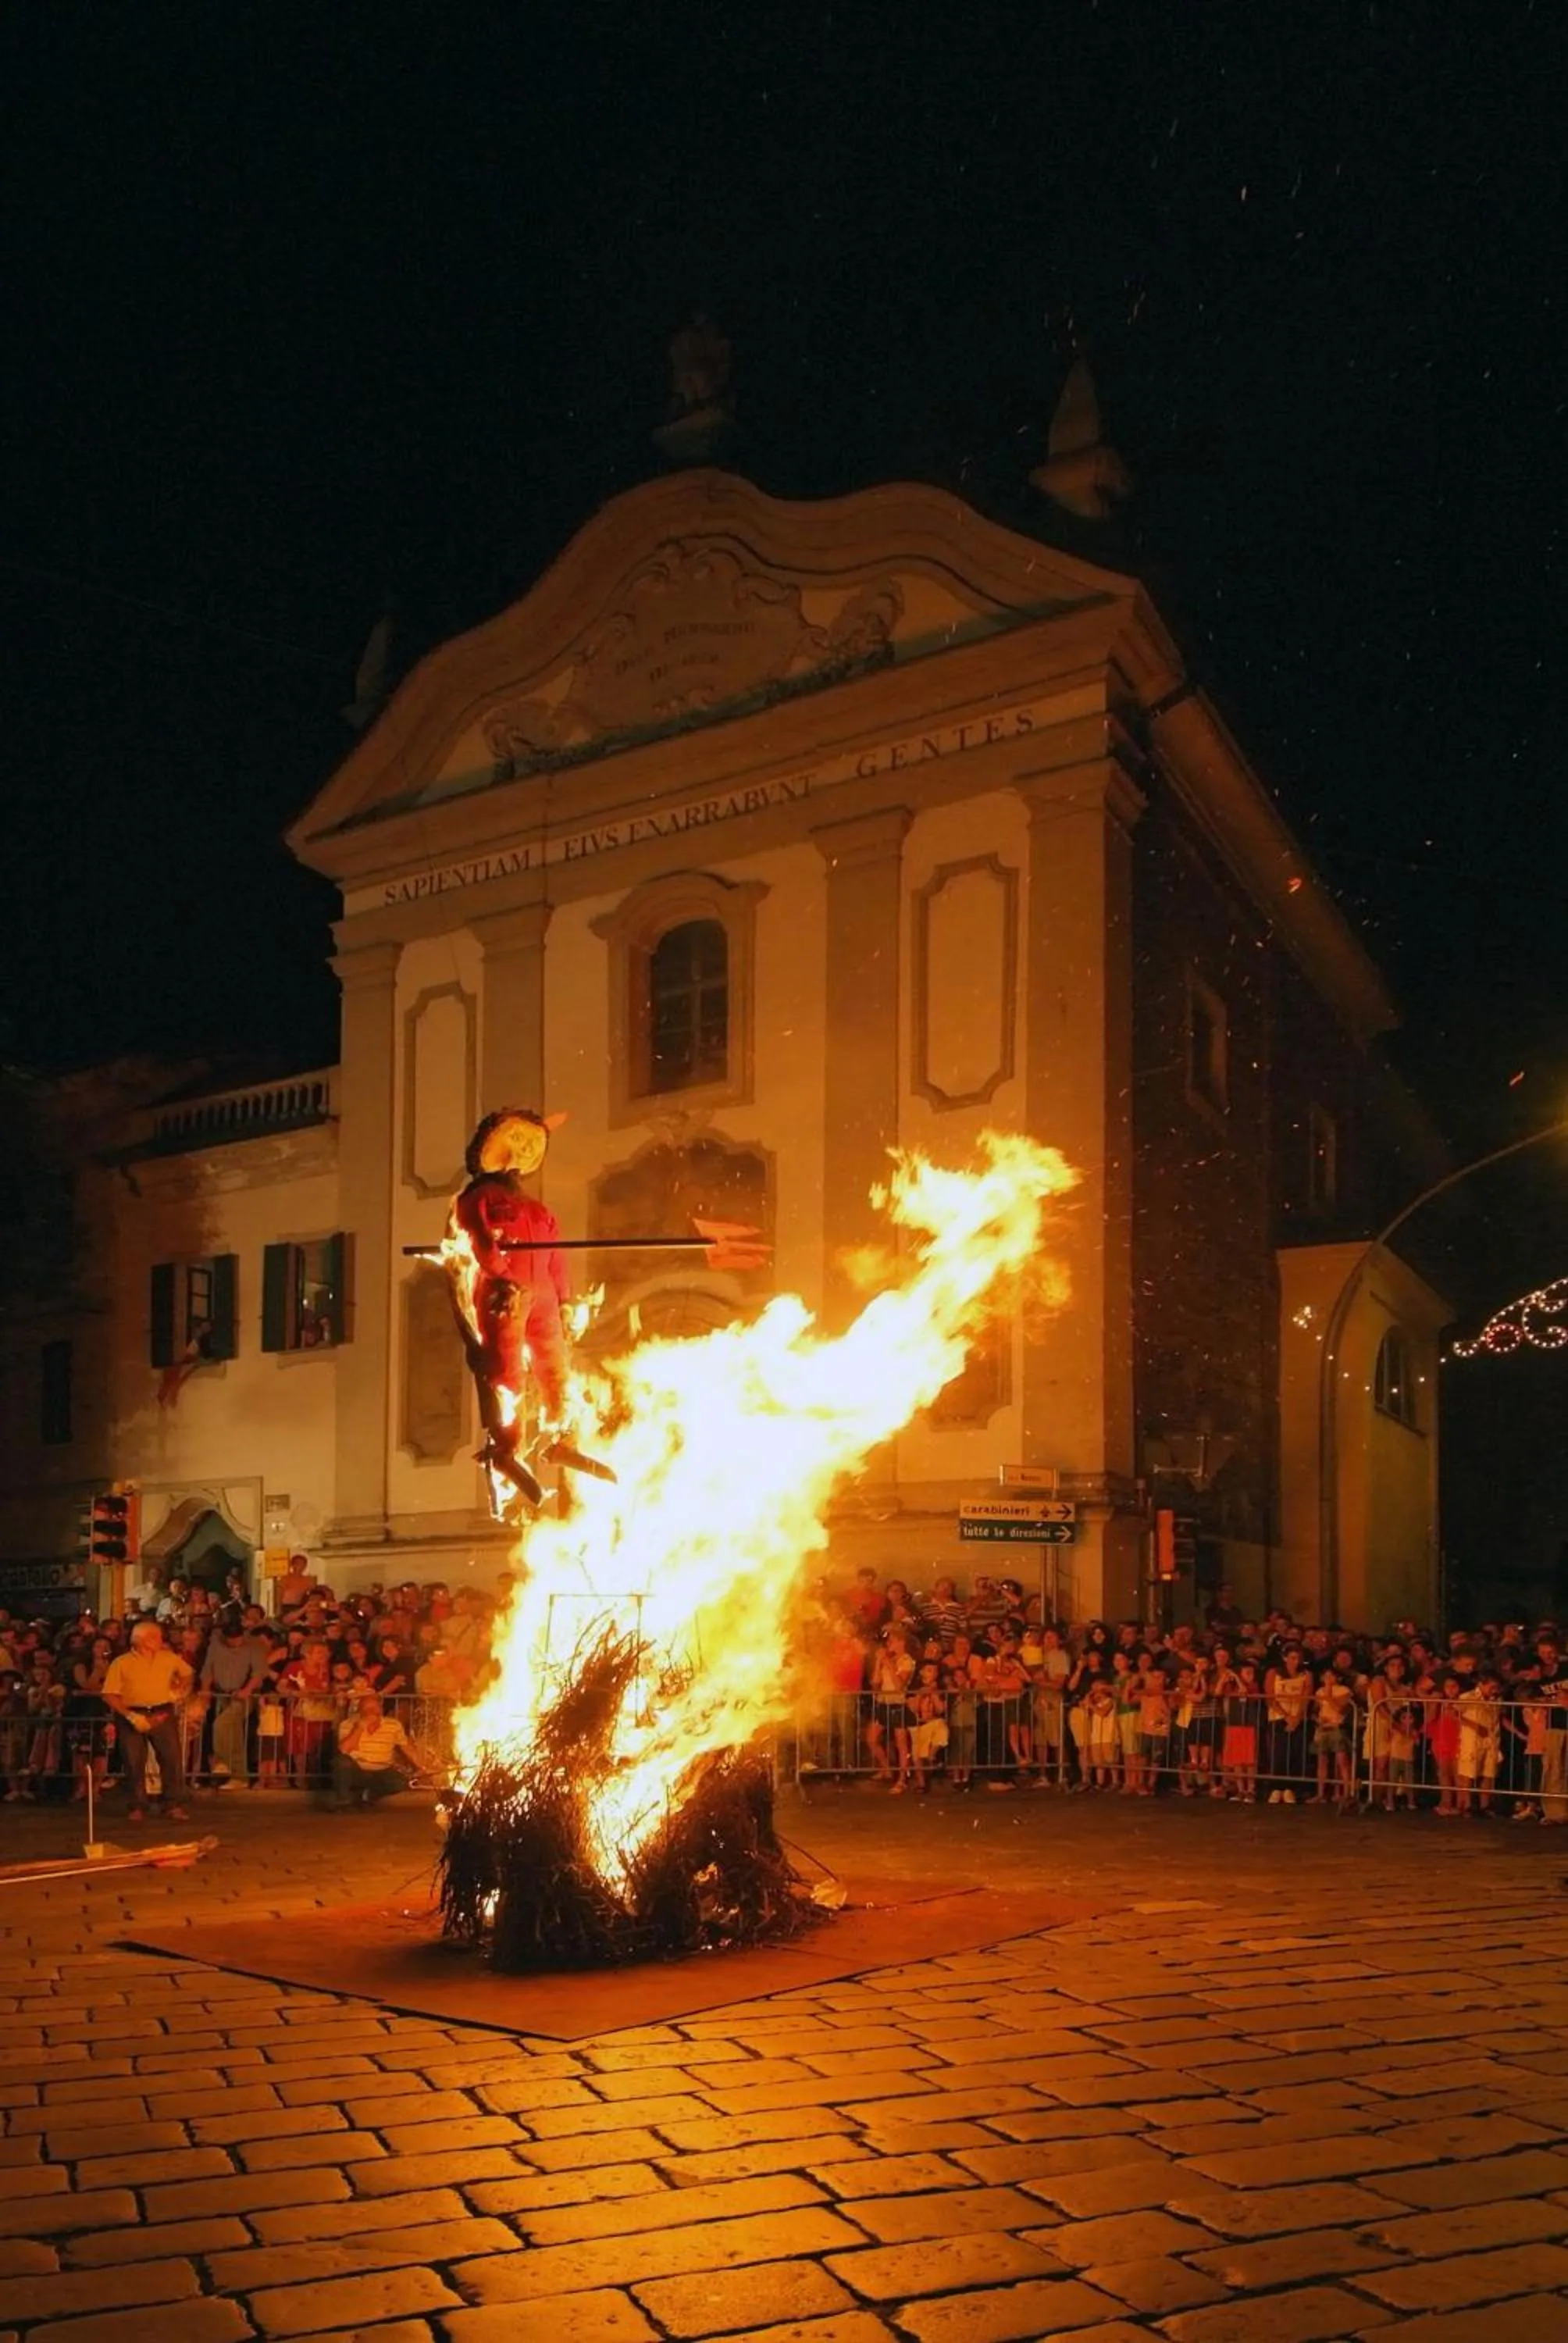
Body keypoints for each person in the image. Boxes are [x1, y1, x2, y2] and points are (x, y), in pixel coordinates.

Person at [102, 1621, 191, 1822]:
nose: (160, 1640)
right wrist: (130, 1715)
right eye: (156, 1636)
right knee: (133, 1762)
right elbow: (109, 1694)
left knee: (171, 1759)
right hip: (132, 1713)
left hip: (162, 1712)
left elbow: (188, 1674)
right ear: (143, 1640)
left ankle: (173, 1804)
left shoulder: (168, 1658)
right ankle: (137, 1805)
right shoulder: (122, 1663)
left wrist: (178, 1690)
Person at [330, 1691, 440, 1810]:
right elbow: (344, 1750)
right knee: (341, 1762)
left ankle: (367, 1796)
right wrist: (360, 1728)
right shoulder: (347, 1724)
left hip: (381, 1770)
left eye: (374, 1708)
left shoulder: (393, 1725)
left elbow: (407, 1748)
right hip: (357, 1769)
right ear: (360, 1711)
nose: (371, 1712)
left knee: (401, 1782)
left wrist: (423, 1768)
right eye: (367, 1709)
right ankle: (343, 1800)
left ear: (381, 1709)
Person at [200, 1609, 270, 1788]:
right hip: (222, 1693)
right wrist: (205, 1692)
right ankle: (239, 1776)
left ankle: (223, 1761)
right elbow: (208, 1670)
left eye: (237, 1639)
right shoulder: (215, 1644)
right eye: (230, 1640)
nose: (234, 1643)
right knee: (233, 1733)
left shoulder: (255, 1645)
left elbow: (259, 1672)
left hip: (246, 1695)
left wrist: (247, 1690)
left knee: (222, 1724)